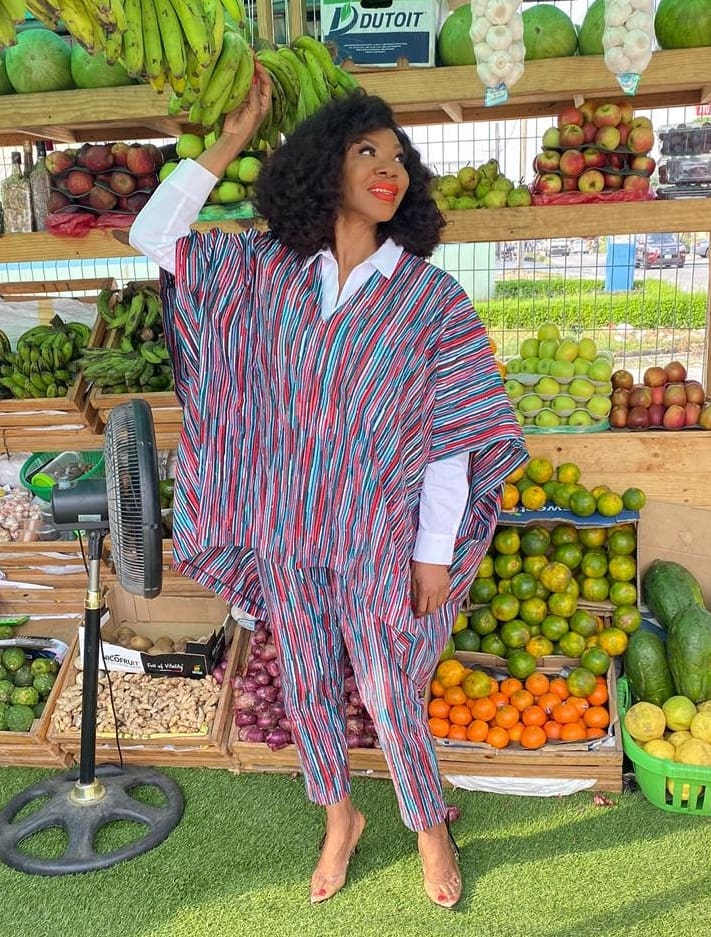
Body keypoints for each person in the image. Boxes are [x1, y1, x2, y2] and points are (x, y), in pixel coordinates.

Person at [129, 61, 527, 909]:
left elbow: (451, 439)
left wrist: (432, 552)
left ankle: (428, 824)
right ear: (323, 168)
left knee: (388, 689)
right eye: (366, 151)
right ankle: (339, 817)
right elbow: (153, 234)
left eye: (399, 157)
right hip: (286, 525)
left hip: (379, 534)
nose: (390, 168)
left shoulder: (430, 300)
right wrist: (232, 139)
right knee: (307, 683)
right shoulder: (266, 272)